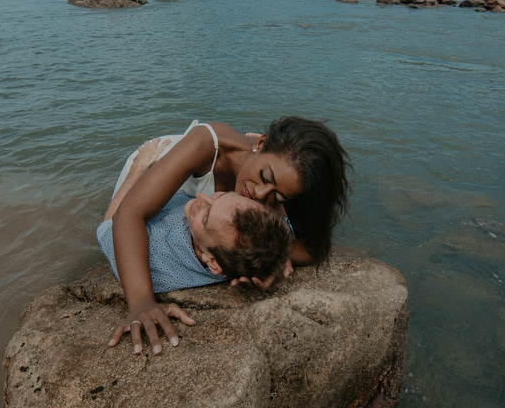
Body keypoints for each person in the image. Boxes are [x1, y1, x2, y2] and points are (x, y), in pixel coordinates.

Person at [102, 116, 350, 355]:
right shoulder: (205, 145)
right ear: (260, 145)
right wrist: (142, 302)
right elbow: (130, 215)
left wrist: (271, 259)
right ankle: (139, 166)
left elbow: (314, 248)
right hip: (160, 163)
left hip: (201, 209)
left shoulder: (284, 181)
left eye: (278, 197)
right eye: (264, 177)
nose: (260, 194)